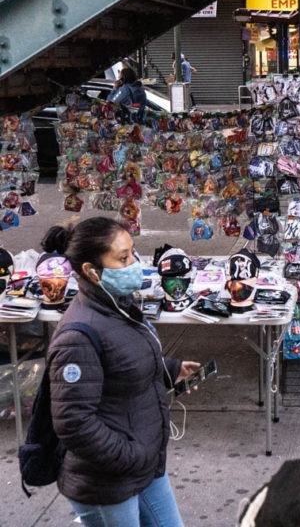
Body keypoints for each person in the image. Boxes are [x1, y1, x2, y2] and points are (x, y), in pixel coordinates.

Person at [45, 218, 199, 527]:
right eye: (123, 257)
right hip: (109, 481)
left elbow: (122, 361)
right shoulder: (77, 335)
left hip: (142, 463)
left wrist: (169, 370)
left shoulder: (118, 304)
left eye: (132, 253)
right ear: (91, 271)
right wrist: (130, 456)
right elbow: (74, 423)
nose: (134, 264)